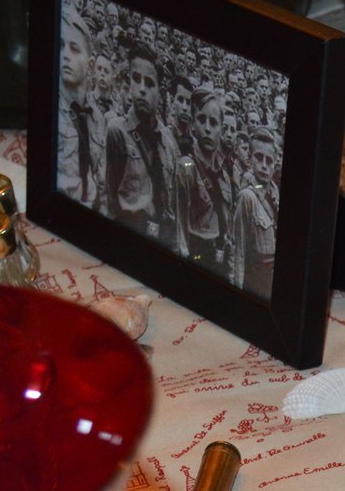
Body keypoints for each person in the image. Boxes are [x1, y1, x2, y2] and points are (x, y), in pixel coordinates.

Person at [104, 39, 180, 249]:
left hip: (162, 240)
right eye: (136, 80)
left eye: (149, 83)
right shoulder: (117, 132)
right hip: (128, 235)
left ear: (160, 90)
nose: (141, 89)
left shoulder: (168, 142)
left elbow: (172, 205)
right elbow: (109, 198)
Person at [174, 86, 235, 278]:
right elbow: (179, 228)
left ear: (221, 130)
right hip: (196, 257)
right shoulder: (186, 167)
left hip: (220, 262)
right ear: (193, 125)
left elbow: (227, 228)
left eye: (213, 123)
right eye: (202, 120)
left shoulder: (224, 174)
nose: (207, 128)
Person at [56, 5, 103, 211]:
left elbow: (100, 176)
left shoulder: (97, 118)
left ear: (91, 66)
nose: (65, 55)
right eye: (61, 46)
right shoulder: (53, 111)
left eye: (74, 49)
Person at [229, 127, 280, 299]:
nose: (264, 165)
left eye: (269, 161)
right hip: (255, 281)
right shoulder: (247, 197)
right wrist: (237, 292)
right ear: (250, 160)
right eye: (259, 157)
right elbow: (238, 251)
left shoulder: (274, 194)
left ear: (274, 166)